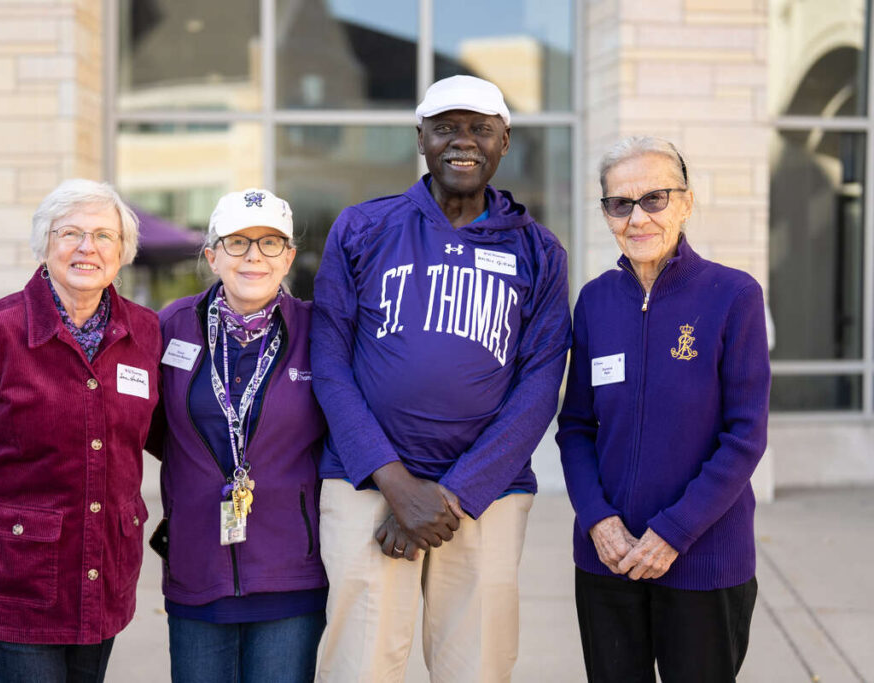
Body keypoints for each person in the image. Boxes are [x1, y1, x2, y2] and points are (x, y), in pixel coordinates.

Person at [311, 75, 571, 682]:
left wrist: (451, 495)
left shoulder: (538, 250)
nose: (464, 141)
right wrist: (397, 484)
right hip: (367, 485)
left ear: (504, 142)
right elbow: (329, 363)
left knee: (476, 667)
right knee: (361, 665)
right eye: (446, 128)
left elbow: (539, 386)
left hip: (488, 496)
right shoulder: (362, 228)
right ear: (420, 138)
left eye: (480, 129)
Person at [0, 179, 161, 683]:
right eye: (70, 233)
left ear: (123, 251)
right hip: (17, 583)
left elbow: (170, 437)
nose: (87, 248)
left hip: (104, 575)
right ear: (45, 243)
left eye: (103, 236)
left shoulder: (145, 333)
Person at [556, 136, 771, 682]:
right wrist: (597, 521)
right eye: (619, 203)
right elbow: (577, 426)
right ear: (606, 212)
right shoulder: (597, 300)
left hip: (703, 560)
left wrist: (673, 533)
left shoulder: (733, 295)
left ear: (686, 203)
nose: (637, 218)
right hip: (608, 559)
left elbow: (744, 436)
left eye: (655, 198)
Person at [147, 189, 327, 683]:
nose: (253, 256)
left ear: (289, 257)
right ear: (212, 255)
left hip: (290, 568)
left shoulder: (320, 331)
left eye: (270, 243)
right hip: (197, 566)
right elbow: (149, 425)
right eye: (238, 242)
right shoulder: (172, 327)